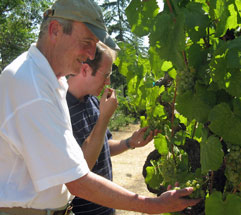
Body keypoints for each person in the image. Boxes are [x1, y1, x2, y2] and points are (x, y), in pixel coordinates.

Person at [0, 0, 200, 214]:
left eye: (94, 45)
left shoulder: (47, 81)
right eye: (87, 41)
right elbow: (77, 180)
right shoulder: (32, 88)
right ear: (55, 30)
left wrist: (127, 143)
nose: (91, 54)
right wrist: (152, 205)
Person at [67, 42, 156, 215]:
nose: (108, 81)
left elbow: (102, 145)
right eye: (106, 74)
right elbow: (82, 166)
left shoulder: (92, 100)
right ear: (85, 70)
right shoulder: (61, 110)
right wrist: (104, 118)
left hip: (105, 209)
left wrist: (129, 143)